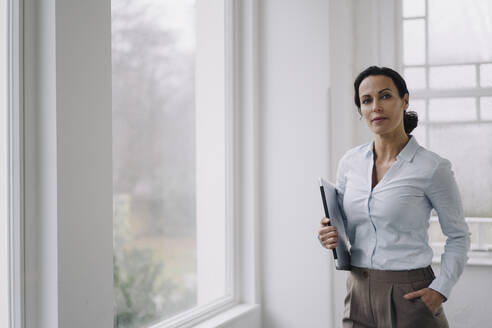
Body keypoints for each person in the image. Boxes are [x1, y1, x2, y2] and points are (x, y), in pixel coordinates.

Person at [317, 66, 471, 328]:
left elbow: (458, 236)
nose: (376, 106)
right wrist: (327, 234)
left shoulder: (432, 167)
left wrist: (440, 290)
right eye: (367, 100)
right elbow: (340, 226)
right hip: (357, 291)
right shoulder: (349, 162)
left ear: (405, 100)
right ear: (361, 111)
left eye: (385, 96)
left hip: (410, 294)